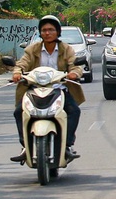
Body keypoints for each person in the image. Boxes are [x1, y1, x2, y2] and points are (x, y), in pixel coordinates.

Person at [10, 15, 86, 163]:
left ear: (57, 32)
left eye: (51, 29)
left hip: (59, 89)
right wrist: (17, 73)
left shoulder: (66, 49)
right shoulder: (32, 49)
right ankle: (25, 146)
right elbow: (22, 64)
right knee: (18, 112)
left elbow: (75, 65)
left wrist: (74, 73)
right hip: (34, 89)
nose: (47, 33)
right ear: (40, 33)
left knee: (74, 110)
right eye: (44, 30)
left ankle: (67, 146)